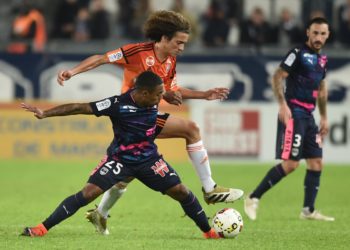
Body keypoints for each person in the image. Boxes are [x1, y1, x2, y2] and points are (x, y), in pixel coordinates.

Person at [57, 10, 243, 235]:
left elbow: (171, 90)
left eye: (184, 43)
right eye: (179, 42)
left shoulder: (170, 61)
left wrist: (204, 94)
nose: (181, 48)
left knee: (128, 174)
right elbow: (102, 58)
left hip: (147, 119)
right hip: (130, 118)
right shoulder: (137, 52)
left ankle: (101, 214)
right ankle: (210, 188)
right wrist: (72, 72)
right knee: (191, 129)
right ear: (164, 38)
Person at [20, 71, 220, 239]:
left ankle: (209, 232)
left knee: (181, 191)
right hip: (120, 160)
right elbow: (80, 107)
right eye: (158, 95)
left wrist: (202, 95)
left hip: (149, 159)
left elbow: (172, 91)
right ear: (143, 92)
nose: (161, 98)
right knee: (88, 194)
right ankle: (41, 228)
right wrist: (45, 113)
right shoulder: (116, 104)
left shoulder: (153, 95)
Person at [244, 17, 334, 222]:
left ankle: (308, 210)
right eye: (315, 33)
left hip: (309, 116)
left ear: (328, 35)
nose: (318, 37)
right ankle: (253, 197)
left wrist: (325, 117)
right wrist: (282, 105)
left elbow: (321, 90)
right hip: (294, 113)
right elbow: (277, 76)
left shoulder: (322, 61)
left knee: (317, 162)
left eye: (323, 34)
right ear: (308, 33)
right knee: (292, 164)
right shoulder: (297, 53)